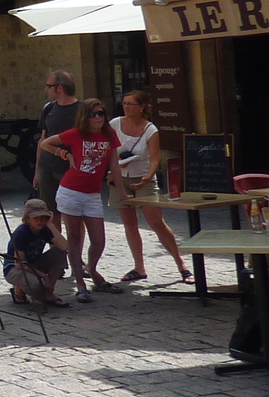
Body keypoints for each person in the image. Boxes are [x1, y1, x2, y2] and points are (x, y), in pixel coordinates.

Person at [40, 97, 127, 303]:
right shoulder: (77, 134)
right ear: (85, 117)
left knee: (98, 240)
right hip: (71, 191)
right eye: (93, 114)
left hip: (92, 194)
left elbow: (114, 165)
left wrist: (121, 192)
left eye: (101, 113)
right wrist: (64, 154)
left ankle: (92, 269)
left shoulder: (109, 134)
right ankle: (80, 284)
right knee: (74, 238)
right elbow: (45, 143)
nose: (97, 118)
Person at [111, 90, 193, 284]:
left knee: (156, 222)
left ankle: (181, 264)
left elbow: (156, 157)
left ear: (142, 107)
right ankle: (139, 267)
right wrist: (110, 171)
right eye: (125, 103)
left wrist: (148, 177)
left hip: (143, 178)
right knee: (129, 224)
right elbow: (108, 150)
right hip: (120, 178)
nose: (126, 106)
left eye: (131, 103)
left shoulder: (150, 129)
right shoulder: (114, 124)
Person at [4, 199, 70, 308]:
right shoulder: (21, 233)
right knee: (37, 285)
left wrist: (50, 225)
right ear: (27, 218)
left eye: (43, 218)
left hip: (33, 263)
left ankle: (48, 293)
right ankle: (22, 291)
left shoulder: (44, 229)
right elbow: (19, 264)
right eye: (36, 218)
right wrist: (44, 275)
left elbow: (65, 247)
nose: (40, 221)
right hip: (15, 268)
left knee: (59, 252)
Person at [33, 71, 80, 214]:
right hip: (47, 167)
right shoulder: (48, 108)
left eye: (49, 86)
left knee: (73, 213)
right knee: (50, 213)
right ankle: (54, 237)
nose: (45, 89)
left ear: (60, 88)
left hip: (70, 168)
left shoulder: (82, 110)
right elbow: (43, 139)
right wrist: (37, 171)